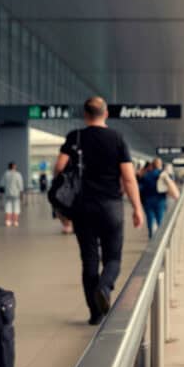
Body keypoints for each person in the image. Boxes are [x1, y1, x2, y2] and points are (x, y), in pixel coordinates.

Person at [55, 96, 143, 325]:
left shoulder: (75, 137)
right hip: (111, 206)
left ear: (85, 115)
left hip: (82, 208)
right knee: (113, 258)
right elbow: (129, 178)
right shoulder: (117, 139)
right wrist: (137, 208)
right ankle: (104, 287)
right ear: (106, 114)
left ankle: (95, 314)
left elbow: (59, 167)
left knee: (89, 261)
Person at [2, 162, 25, 227]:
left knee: (7, 207)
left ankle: (8, 221)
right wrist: (21, 193)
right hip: (16, 194)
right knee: (16, 207)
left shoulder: (6, 174)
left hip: (7, 193)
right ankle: (15, 221)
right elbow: (20, 185)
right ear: (14, 166)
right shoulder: (18, 174)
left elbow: (2, 184)